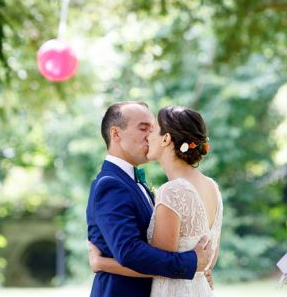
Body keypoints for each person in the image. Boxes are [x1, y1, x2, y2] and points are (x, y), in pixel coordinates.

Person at [89, 105, 223, 297]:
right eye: (144, 129)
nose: (149, 135)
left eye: (153, 129)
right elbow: (131, 252)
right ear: (116, 134)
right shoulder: (110, 184)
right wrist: (194, 266)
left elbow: (160, 261)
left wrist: (100, 263)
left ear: (166, 139)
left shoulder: (171, 189)